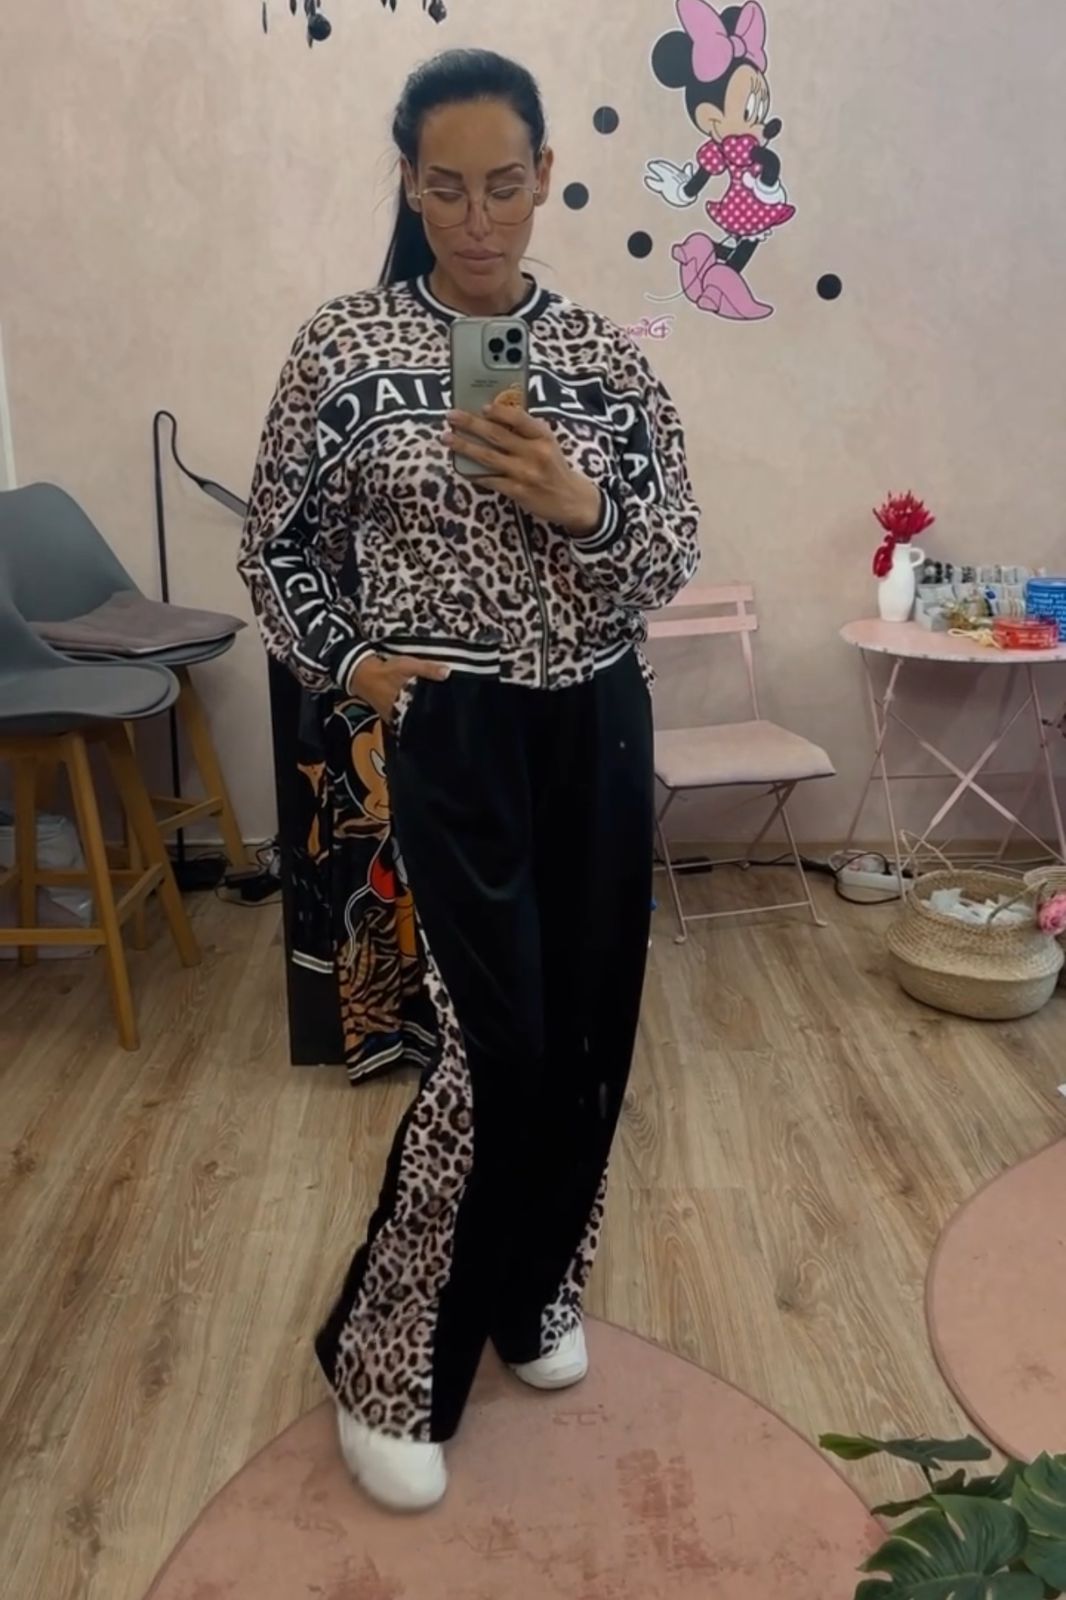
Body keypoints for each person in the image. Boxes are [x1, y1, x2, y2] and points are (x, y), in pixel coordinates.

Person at [238, 47, 701, 1513]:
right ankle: (389, 1368)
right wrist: (351, 659)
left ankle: (529, 1287)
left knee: (589, 1041)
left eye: (505, 184)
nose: (478, 218)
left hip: (598, 725)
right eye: (445, 188)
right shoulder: (344, 349)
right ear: (408, 182)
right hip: (454, 732)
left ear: (546, 175)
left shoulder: (606, 359)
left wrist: (579, 504)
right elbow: (278, 544)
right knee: (489, 1055)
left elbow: (668, 549)